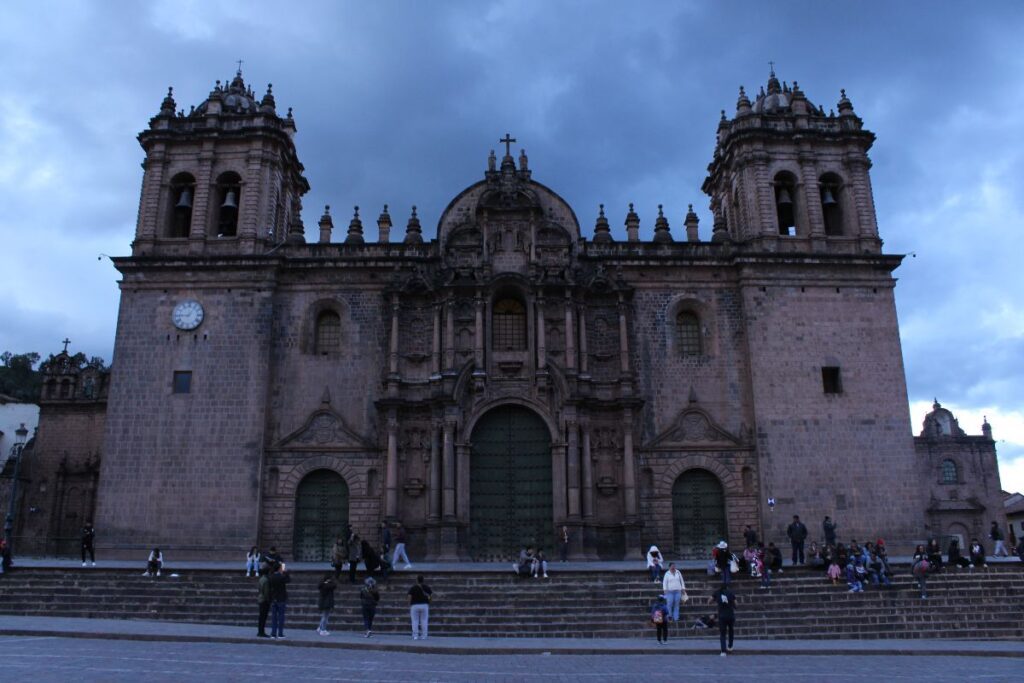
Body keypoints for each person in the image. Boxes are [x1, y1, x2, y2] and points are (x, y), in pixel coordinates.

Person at [710, 582, 736, 656]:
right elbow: (736, 602)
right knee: (731, 630)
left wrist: (711, 602)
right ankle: (730, 646)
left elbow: (710, 600)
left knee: (722, 633)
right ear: (727, 587)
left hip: (722, 616)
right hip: (730, 615)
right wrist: (734, 606)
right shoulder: (730, 592)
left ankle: (723, 651)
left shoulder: (717, 592)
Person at [269, 561, 290, 638]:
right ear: (279, 568)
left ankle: (273, 633)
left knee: (274, 618)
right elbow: (288, 580)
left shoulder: (271, 576)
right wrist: (285, 572)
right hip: (281, 599)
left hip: (274, 598)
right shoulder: (281, 577)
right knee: (281, 617)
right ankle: (280, 633)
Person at [408, 574, 432, 640]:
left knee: (415, 620)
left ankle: (415, 635)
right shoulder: (427, 587)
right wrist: (429, 602)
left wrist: (409, 604)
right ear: (423, 580)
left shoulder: (413, 588)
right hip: (424, 605)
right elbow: (430, 596)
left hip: (414, 605)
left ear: (417, 580)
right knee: (424, 620)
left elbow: (409, 596)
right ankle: (424, 635)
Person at [316, 571, 336, 636]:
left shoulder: (322, 584)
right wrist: (329, 582)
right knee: (325, 617)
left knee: (324, 616)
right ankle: (323, 630)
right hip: (327, 603)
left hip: (323, 602)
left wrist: (326, 582)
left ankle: (320, 628)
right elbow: (334, 585)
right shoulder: (328, 585)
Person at [256, 562, 271, 638]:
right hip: (264, 600)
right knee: (263, 617)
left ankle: (260, 631)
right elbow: (266, 592)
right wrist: (268, 600)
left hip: (260, 598)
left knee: (261, 617)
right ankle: (261, 632)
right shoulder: (266, 580)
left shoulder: (261, 579)